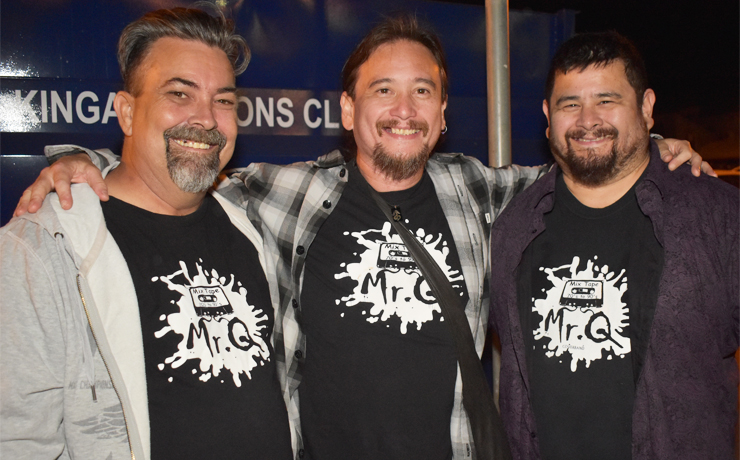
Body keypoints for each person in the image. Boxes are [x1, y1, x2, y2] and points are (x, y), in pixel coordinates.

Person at [13, 16, 709, 460]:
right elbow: (176, 171)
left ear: (443, 114)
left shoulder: (482, 192)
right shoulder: (282, 195)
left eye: (422, 92)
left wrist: (656, 148)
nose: (403, 110)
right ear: (348, 109)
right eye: (382, 91)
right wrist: (83, 164)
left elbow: (589, 164)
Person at [0, 8, 294, 460]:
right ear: (127, 112)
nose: (206, 119)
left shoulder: (251, 224)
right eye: (179, 93)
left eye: (223, 101)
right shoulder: (39, 250)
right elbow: (17, 440)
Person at [489, 31, 738, 460]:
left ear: (646, 107)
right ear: (548, 114)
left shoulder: (717, 217)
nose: (588, 120)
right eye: (570, 104)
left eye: (606, 100)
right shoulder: (512, 227)